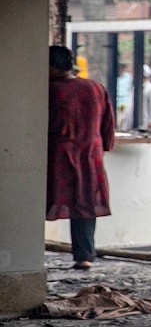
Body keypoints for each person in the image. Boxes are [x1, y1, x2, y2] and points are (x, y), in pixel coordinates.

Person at [47, 45, 116, 270]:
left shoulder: (49, 90)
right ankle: (84, 256)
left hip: (58, 156)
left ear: (52, 67)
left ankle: (23, 254)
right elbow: (108, 124)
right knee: (85, 205)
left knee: (39, 201)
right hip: (90, 155)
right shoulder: (95, 87)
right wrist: (104, 145)